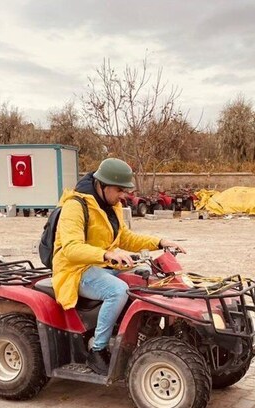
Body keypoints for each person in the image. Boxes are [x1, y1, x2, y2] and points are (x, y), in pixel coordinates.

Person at [52, 158, 185, 375]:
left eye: (126, 191)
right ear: (101, 185)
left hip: (103, 264)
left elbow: (125, 237)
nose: (124, 195)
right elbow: (71, 249)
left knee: (148, 281)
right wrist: (107, 254)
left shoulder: (111, 206)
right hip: (75, 269)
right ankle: (98, 350)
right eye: (120, 190)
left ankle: (145, 335)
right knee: (117, 291)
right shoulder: (75, 206)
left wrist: (159, 242)